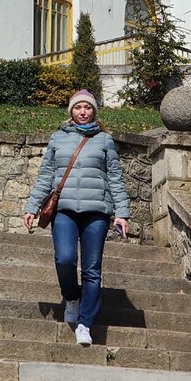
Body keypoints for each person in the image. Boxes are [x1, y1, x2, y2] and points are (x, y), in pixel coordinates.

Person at [22, 89, 131, 347]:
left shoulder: (104, 141)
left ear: (94, 111)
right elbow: (46, 176)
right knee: (65, 259)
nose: (83, 112)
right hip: (64, 210)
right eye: (78, 107)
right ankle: (71, 297)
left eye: (88, 108)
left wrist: (122, 214)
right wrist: (32, 206)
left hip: (97, 213)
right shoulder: (58, 139)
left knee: (92, 271)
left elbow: (115, 179)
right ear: (71, 111)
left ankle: (84, 323)